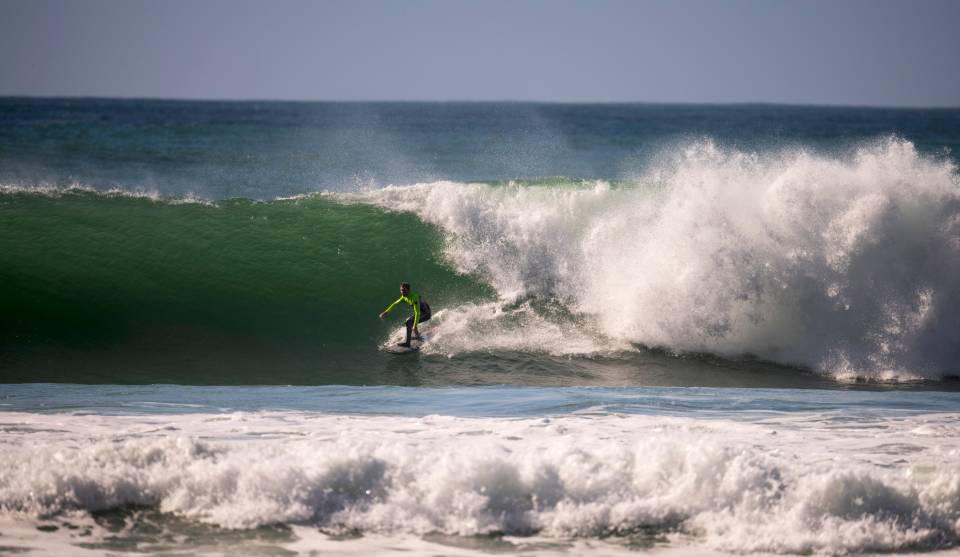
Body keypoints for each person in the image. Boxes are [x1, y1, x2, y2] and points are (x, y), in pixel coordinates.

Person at [379, 282, 432, 347]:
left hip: (426, 313)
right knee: (409, 322)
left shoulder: (414, 298)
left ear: (409, 290)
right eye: (401, 290)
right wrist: (386, 312)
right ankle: (417, 336)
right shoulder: (404, 297)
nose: (402, 292)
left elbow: (417, 312)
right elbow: (395, 304)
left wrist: (415, 325)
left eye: (404, 290)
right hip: (421, 312)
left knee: (409, 322)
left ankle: (408, 343)